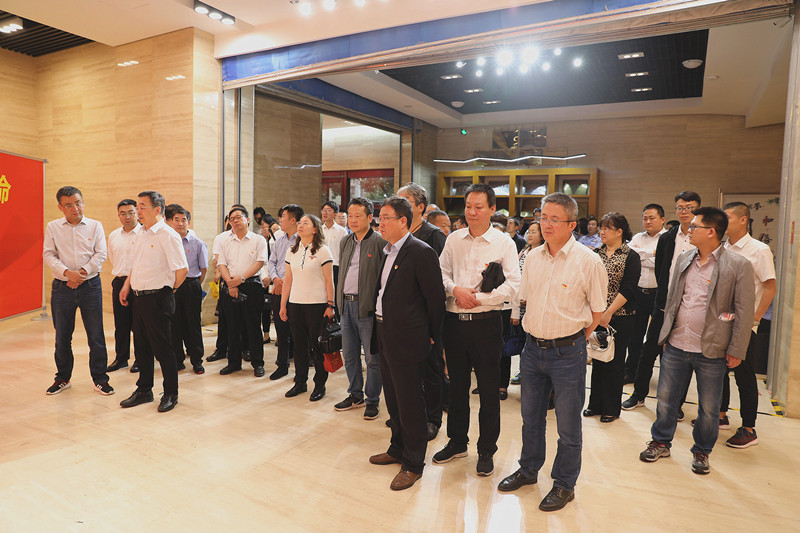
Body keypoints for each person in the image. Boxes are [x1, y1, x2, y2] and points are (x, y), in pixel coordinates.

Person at [497, 192, 607, 512]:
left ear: (572, 224)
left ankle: (564, 484)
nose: (546, 224)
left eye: (554, 219)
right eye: (543, 218)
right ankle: (529, 469)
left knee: (568, 425)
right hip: (532, 350)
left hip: (568, 352)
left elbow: (597, 312)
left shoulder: (588, 261)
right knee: (530, 418)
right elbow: (526, 299)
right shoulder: (533, 257)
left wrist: (573, 339)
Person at [639, 207, 754, 475]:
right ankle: (660, 441)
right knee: (665, 399)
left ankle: (702, 450)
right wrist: (666, 334)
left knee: (709, 407)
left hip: (712, 349)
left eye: (694, 226)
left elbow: (744, 311)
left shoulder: (738, 265)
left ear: (711, 232)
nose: (689, 230)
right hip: (677, 343)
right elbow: (673, 298)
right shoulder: (684, 258)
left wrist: (737, 349)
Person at [435, 183, 520, 477]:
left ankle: (487, 449)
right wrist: (455, 290)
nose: (472, 212)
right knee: (457, 388)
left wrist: (479, 299)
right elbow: (441, 273)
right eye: (468, 206)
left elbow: (514, 284)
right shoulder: (453, 239)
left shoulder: (504, 243)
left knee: (488, 390)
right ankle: (457, 442)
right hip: (454, 323)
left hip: (486, 324)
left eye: (479, 207)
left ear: (492, 209)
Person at [368, 196, 446, 491]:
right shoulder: (387, 250)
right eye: (380, 218)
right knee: (393, 396)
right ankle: (397, 447)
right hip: (384, 330)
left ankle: (413, 464)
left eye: (386, 218)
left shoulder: (421, 251)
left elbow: (435, 300)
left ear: (403, 221)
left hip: (409, 337)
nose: (380, 223)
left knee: (411, 401)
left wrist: (431, 335)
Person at [623, 191, 701, 415]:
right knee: (648, 350)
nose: (684, 212)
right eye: (680, 208)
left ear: (698, 209)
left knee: (682, 357)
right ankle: (638, 395)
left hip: (690, 304)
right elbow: (660, 269)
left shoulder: (700, 236)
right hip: (664, 301)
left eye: (689, 208)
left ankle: (676, 405)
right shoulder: (669, 238)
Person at [119, 190, 188, 412]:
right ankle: (144, 390)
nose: (137, 211)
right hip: (139, 297)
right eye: (137, 206)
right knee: (141, 347)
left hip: (158, 298)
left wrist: (170, 289)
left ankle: (170, 393)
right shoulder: (142, 232)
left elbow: (182, 269)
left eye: (142, 207)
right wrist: (127, 285)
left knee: (163, 348)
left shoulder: (168, 235)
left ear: (157, 210)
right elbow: (136, 264)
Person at [43, 186, 113, 396]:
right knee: (62, 337)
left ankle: (100, 379)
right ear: (60, 207)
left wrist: (81, 273)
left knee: (96, 336)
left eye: (78, 203)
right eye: (69, 205)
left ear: (83, 202)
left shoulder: (95, 225)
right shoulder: (53, 227)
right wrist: (67, 274)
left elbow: (101, 254)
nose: (75, 208)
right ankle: (62, 378)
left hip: (90, 286)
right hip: (61, 288)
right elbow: (48, 254)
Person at [716, 201, 776, 448]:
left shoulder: (759, 249)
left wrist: (755, 318)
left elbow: (770, 286)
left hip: (745, 324)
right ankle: (720, 416)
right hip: (723, 321)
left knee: (744, 375)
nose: (723, 223)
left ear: (743, 220)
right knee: (719, 371)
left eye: (727, 218)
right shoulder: (723, 248)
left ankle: (749, 428)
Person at [397, 183, 448, 440]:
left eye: (405, 200)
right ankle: (411, 413)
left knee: (431, 368)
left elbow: (440, 282)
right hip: (402, 313)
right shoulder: (398, 233)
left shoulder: (434, 235)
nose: (399, 204)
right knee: (407, 370)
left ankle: (433, 418)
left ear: (420, 207)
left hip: (425, 313)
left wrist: (433, 323)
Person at [584, 213, 640, 423]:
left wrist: (608, 313)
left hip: (620, 316)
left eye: (607, 228)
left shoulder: (631, 256)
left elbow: (629, 288)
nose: (602, 231)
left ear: (620, 232)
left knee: (614, 363)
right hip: (596, 315)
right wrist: (596, 314)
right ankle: (595, 404)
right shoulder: (595, 254)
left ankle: (611, 408)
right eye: (602, 227)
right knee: (597, 360)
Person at [334, 197, 386, 420]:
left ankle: (372, 400)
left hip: (368, 307)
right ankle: (355, 394)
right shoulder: (345, 241)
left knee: (372, 358)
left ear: (370, 217)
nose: (353, 220)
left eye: (358, 216)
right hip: (346, 305)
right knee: (350, 354)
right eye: (350, 216)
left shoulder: (380, 242)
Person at [280, 214, 336, 401]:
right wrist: (283, 305)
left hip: (317, 305)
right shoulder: (292, 250)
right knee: (299, 346)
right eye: (300, 222)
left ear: (315, 229)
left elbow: (329, 280)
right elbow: (288, 280)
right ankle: (300, 382)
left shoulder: (323, 250)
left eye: (306, 223)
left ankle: (320, 384)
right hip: (295, 304)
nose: (300, 225)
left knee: (317, 347)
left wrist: (330, 304)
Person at [217, 206, 268, 377]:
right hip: (230, 286)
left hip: (251, 286)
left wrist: (242, 279)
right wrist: (231, 284)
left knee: (253, 326)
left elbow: (260, 262)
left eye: (238, 217)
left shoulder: (258, 240)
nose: (235, 221)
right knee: (232, 326)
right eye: (232, 219)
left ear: (247, 219)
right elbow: (222, 264)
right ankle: (233, 363)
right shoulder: (225, 241)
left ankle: (258, 363)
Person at [624, 204, 666, 383]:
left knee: (658, 338)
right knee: (634, 336)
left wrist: (642, 255)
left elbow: (663, 263)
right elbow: (631, 258)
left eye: (652, 218)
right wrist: (653, 255)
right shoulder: (637, 237)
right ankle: (630, 372)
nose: (648, 221)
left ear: (662, 219)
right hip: (638, 293)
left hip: (659, 294)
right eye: (645, 218)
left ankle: (665, 377)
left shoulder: (667, 238)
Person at [165, 204, 208, 374]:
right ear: (171, 222)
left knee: (193, 324)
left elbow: (204, 269)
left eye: (183, 220)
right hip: (172, 287)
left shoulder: (198, 243)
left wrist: (195, 285)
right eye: (176, 220)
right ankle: (178, 360)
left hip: (191, 285)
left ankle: (197, 361)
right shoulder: (168, 242)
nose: (180, 223)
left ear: (189, 222)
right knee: (174, 324)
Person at [106, 199, 142, 373]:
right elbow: (112, 257)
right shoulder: (114, 235)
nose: (127, 217)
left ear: (137, 213)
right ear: (118, 215)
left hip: (139, 283)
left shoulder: (144, 233)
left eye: (131, 212)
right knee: (121, 324)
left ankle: (141, 359)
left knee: (139, 325)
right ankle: (121, 358)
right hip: (119, 281)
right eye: (123, 213)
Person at [267, 204, 302, 380]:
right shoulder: (279, 240)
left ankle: (301, 370)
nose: (280, 220)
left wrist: (286, 282)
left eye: (283, 217)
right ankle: (282, 365)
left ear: (293, 220)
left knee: (298, 332)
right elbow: (271, 262)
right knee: (281, 331)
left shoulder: (302, 241)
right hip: (278, 289)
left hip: (296, 291)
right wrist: (276, 279)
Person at [509, 221, 543, 387]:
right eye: (529, 231)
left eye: (534, 232)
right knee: (521, 340)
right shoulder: (524, 250)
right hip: (519, 303)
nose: (530, 235)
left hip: (533, 304)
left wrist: (527, 297)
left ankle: (531, 374)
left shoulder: (542, 253)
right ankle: (523, 371)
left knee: (531, 342)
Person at [320, 201, 348, 287]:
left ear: (335, 214)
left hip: (335, 266)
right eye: (324, 210)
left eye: (328, 210)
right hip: (320, 266)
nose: (325, 213)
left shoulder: (342, 231)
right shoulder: (319, 230)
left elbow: (345, 251)